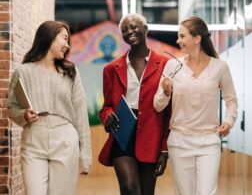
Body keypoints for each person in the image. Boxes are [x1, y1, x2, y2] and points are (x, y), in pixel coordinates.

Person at [154, 16, 238, 195]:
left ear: (197, 38)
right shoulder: (172, 66)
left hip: (209, 141)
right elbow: (158, 105)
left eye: (182, 36)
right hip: (179, 141)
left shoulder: (220, 67)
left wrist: (229, 121)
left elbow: (231, 101)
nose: (178, 41)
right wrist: (165, 92)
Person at [8, 21, 92, 195]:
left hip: (65, 141)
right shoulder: (23, 72)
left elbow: (80, 114)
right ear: (49, 38)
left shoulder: (70, 72)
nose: (67, 45)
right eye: (64, 39)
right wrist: (23, 114)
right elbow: (11, 107)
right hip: (33, 142)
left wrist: (85, 155)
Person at [98, 13, 170, 195]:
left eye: (133, 27)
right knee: (130, 188)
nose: (129, 32)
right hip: (122, 133)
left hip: (152, 135)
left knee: (146, 192)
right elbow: (106, 106)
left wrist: (164, 149)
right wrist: (107, 116)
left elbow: (169, 111)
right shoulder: (111, 69)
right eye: (124, 30)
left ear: (145, 30)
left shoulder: (165, 64)